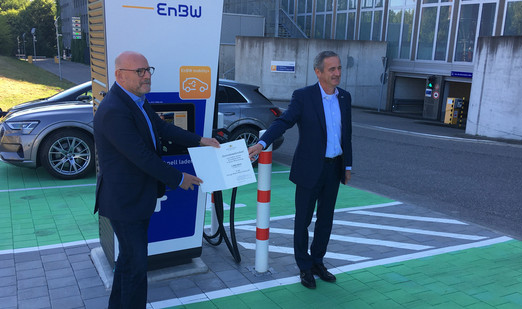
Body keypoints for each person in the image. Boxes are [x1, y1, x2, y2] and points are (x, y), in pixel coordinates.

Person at [93, 51, 219, 308]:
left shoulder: (137, 100)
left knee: (129, 262)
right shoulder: (114, 110)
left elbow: (162, 128)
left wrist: (199, 139)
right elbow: (140, 156)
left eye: (148, 69)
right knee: (136, 266)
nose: (147, 76)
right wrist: (178, 177)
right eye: (139, 71)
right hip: (124, 202)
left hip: (136, 198)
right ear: (120, 75)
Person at [248, 50, 352, 289]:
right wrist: (262, 143)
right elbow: (284, 121)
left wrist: (347, 165)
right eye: (331, 69)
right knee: (303, 221)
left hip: (333, 168)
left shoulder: (344, 98)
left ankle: (317, 261)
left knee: (326, 219)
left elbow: (347, 135)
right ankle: (304, 267)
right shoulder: (304, 97)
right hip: (309, 170)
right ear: (318, 72)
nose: (337, 73)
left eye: (339, 69)